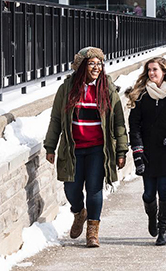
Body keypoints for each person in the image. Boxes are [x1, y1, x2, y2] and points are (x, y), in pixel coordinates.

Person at [44, 47, 128, 248]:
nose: (96, 68)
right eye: (92, 63)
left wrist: (121, 150)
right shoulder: (67, 89)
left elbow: (118, 122)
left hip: (98, 149)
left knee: (94, 189)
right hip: (73, 148)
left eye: (99, 64)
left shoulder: (107, 89)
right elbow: (56, 119)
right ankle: (79, 211)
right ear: (82, 66)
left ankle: (92, 232)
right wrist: (50, 146)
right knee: (71, 188)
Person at [127, 57, 166, 246]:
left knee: (164, 191)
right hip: (147, 152)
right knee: (148, 193)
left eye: (155, 69)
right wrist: (137, 152)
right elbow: (134, 125)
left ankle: (164, 230)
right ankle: (151, 215)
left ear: (164, 71)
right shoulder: (141, 95)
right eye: (149, 70)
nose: (152, 73)